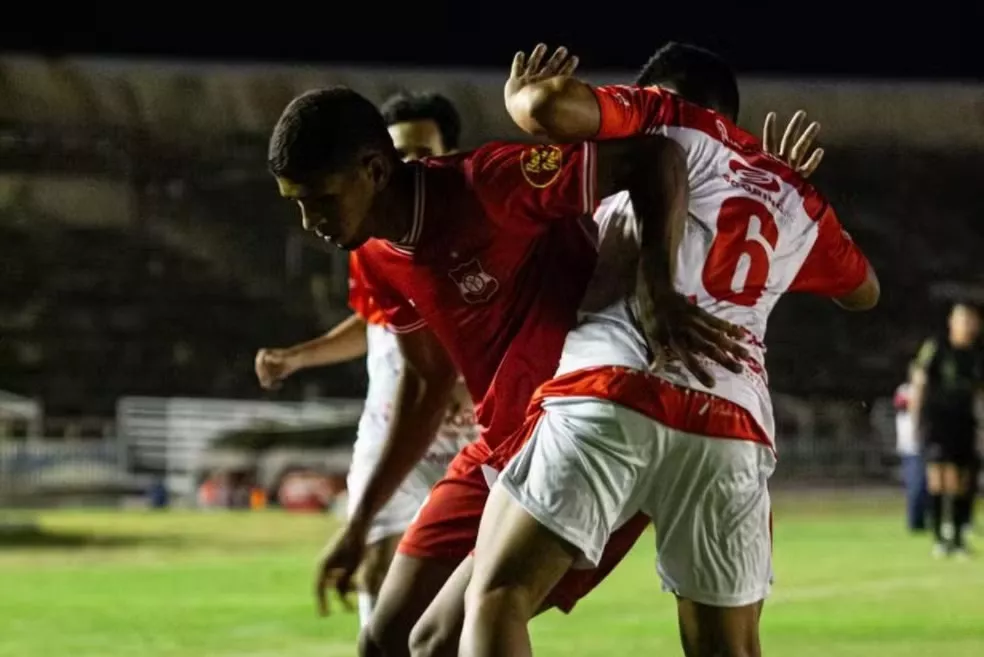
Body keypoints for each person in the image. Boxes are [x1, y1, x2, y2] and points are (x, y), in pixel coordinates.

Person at [266, 59, 755, 656]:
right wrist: (360, 523)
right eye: (295, 203)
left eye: (318, 198)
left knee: (449, 633)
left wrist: (658, 292)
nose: (308, 221)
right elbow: (424, 385)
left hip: (579, 434)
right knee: (385, 639)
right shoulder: (374, 255)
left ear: (373, 169)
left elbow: (656, 159)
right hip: (497, 443)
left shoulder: (488, 184)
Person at [455, 42, 879, 657]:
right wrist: (779, 186)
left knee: (499, 597)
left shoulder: (670, 119)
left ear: (657, 93)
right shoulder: (795, 195)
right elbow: (863, 290)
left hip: (615, 388)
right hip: (730, 425)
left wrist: (521, 97)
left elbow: (551, 106)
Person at [256, 91, 478, 627]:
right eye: (398, 152)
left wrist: (469, 383)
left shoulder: (481, 220)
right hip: (393, 434)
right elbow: (374, 323)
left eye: (421, 150)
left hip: (470, 442)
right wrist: (297, 358)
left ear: (449, 152)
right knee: (381, 582)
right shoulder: (370, 245)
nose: (408, 165)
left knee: (466, 609)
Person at [909, 302, 983, 558]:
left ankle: (959, 535)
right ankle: (941, 537)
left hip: (964, 422)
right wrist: (915, 418)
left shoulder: (975, 354)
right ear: (952, 321)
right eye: (962, 319)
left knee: (964, 480)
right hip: (937, 421)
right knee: (940, 478)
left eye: (970, 320)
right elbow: (919, 380)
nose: (967, 325)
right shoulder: (937, 348)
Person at [894, 377, 928, 532]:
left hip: (927, 446)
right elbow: (901, 403)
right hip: (910, 447)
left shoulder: (930, 390)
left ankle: (924, 521)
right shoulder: (905, 389)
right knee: (915, 485)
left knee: (927, 486)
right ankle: (914, 523)